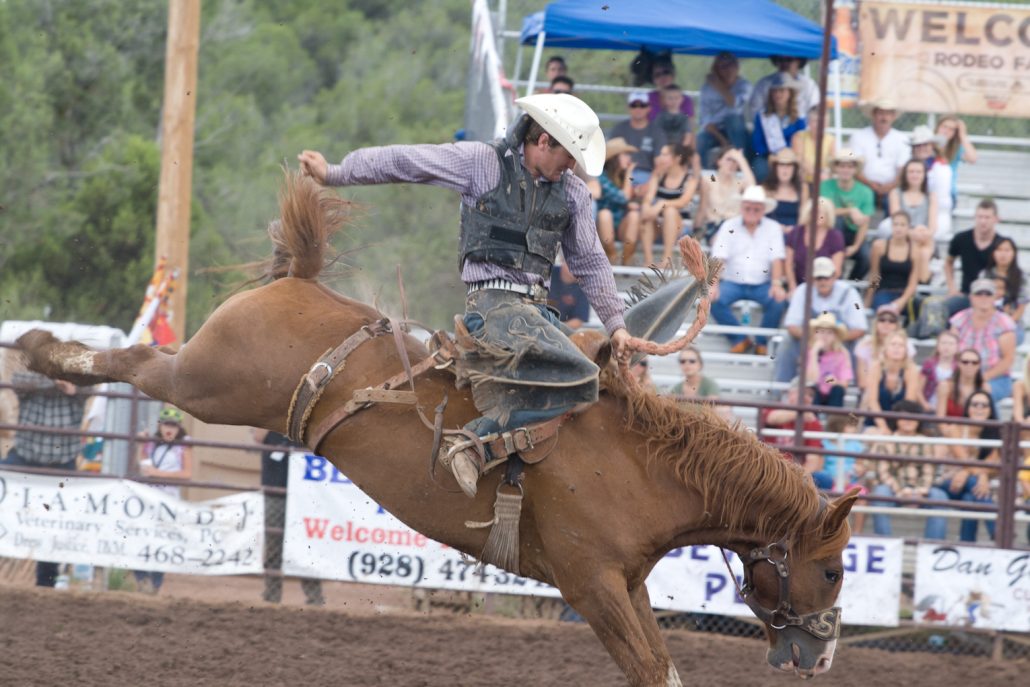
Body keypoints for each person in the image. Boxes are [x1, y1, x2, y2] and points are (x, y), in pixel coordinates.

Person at [298, 93, 632, 498]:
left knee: (590, 388)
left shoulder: (574, 194)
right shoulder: (481, 163)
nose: (572, 167)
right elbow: (406, 161)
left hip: (536, 314)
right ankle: (474, 443)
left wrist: (616, 325)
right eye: (569, 156)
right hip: (493, 307)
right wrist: (335, 173)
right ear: (543, 141)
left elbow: (592, 263)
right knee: (583, 378)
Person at [2, 371, 88, 587]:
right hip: (25, 456)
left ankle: (45, 585)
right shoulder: (34, 370)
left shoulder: (78, 376)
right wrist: (52, 381)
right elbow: (18, 381)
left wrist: (74, 387)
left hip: (61, 462)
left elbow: (91, 388)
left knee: (55, 524)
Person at [709, 185, 786, 355]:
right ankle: (740, 339)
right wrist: (713, 285)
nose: (752, 211)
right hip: (732, 282)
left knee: (778, 301)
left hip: (762, 283)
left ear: (763, 209)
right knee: (711, 299)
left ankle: (761, 343)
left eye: (756, 208)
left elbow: (777, 259)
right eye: (748, 207)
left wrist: (776, 283)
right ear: (742, 207)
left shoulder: (772, 228)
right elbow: (718, 258)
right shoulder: (729, 225)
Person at [257, 429, 325, 606]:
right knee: (274, 544)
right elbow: (257, 435)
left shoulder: (304, 434)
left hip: (302, 497)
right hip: (275, 494)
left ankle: (314, 596)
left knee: (305, 546)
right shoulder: (269, 431)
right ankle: (272, 594)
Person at [774, 256, 866, 384]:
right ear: (812, 278)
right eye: (819, 278)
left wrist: (834, 339)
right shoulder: (802, 291)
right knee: (787, 343)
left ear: (834, 276)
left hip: (840, 343)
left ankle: (855, 386)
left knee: (859, 346)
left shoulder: (849, 293)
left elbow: (860, 328)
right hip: (808, 342)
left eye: (826, 277)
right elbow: (792, 325)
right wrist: (815, 340)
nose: (823, 282)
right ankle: (781, 388)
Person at [864, 399, 947, 537]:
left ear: (918, 420)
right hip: (894, 489)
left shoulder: (926, 442)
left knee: (939, 496)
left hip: (920, 490)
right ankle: (885, 543)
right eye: (903, 415)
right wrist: (902, 491)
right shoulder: (886, 442)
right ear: (896, 419)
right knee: (880, 492)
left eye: (912, 415)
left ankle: (932, 547)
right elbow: (883, 474)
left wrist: (920, 491)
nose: (908, 420)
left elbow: (928, 471)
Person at [133, 406, 193, 594]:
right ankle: (141, 579)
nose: (170, 429)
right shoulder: (152, 444)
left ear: (179, 428)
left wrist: (157, 473)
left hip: (168, 499)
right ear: (160, 426)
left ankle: (156, 584)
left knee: (163, 541)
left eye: (174, 426)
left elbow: (187, 473)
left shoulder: (183, 446)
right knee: (142, 537)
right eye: (167, 425)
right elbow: (142, 464)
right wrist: (140, 445)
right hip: (149, 497)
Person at [938, 390, 999, 542]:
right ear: (968, 408)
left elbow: (992, 466)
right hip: (948, 482)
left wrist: (976, 473)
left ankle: (967, 544)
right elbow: (964, 460)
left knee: (970, 498)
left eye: (984, 405)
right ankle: (997, 530)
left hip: (972, 486)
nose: (979, 408)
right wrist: (980, 474)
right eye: (975, 404)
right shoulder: (955, 429)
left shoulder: (996, 434)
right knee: (974, 484)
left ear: (990, 410)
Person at [949, 277, 1017, 400]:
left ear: (995, 297)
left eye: (988, 294)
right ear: (971, 297)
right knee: (945, 387)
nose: (983, 297)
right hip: (963, 375)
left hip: (996, 378)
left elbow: (1008, 360)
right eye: (979, 293)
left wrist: (982, 378)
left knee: (981, 394)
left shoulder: (1004, 323)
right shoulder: (960, 319)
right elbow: (951, 351)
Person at [944, 198, 1007, 315]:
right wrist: (952, 288)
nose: (983, 221)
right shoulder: (961, 239)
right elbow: (948, 262)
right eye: (980, 217)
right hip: (966, 295)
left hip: (992, 298)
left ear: (996, 219)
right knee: (941, 308)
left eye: (987, 217)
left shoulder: (1001, 244)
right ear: (974, 217)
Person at [640, 142, 698, 267]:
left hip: (681, 226)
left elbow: (683, 202)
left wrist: (662, 203)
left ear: (677, 158)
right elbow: (648, 197)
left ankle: (667, 258)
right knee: (648, 216)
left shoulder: (690, 179)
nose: (660, 157)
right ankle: (648, 259)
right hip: (660, 223)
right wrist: (646, 206)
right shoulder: (658, 175)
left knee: (670, 211)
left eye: (665, 154)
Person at [820, 149, 875, 279]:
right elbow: (824, 213)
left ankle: (852, 285)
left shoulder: (866, 191)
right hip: (830, 234)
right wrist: (849, 211)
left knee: (867, 257)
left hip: (854, 234)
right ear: (836, 168)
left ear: (855, 170)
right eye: (842, 166)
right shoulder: (824, 186)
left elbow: (864, 222)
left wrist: (855, 247)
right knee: (837, 221)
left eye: (850, 166)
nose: (846, 170)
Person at [848, 97, 909, 209]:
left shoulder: (902, 139)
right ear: (873, 115)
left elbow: (902, 169)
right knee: (859, 198)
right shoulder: (858, 136)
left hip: (892, 187)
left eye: (888, 114)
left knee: (894, 200)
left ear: (893, 116)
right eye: (880, 113)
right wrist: (870, 184)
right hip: (863, 185)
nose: (884, 117)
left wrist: (890, 186)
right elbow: (854, 166)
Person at [761, 383, 827, 487]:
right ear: (790, 394)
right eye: (803, 392)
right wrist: (800, 413)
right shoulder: (774, 407)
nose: (806, 397)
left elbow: (812, 461)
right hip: (769, 467)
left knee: (823, 480)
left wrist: (794, 481)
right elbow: (772, 418)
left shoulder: (814, 423)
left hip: (796, 474)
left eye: (810, 395)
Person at [696, 52, 751, 168]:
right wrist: (723, 141)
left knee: (733, 120)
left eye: (731, 65)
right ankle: (705, 176)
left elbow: (734, 104)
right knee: (700, 140)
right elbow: (705, 121)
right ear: (716, 70)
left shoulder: (744, 85)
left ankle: (742, 168)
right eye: (723, 67)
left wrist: (719, 86)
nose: (728, 70)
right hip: (715, 131)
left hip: (737, 130)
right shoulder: (707, 88)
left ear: (737, 67)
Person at [750, 73, 807, 182]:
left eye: (782, 91)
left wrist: (787, 153)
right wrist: (770, 155)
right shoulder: (762, 116)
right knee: (760, 169)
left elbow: (801, 139)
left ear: (790, 93)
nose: (778, 94)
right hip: (767, 156)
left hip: (792, 156)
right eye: (775, 91)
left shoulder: (799, 118)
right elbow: (757, 144)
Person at [862, 330, 922, 432]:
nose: (897, 348)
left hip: (902, 423)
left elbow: (908, 404)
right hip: (876, 421)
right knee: (876, 436)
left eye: (901, 345)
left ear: (905, 351)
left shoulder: (911, 370)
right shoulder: (876, 367)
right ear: (885, 349)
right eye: (893, 344)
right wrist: (883, 427)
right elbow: (872, 402)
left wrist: (897, 430)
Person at [864, 211, 923, 315]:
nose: (898, 228)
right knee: (885, 311)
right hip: (884, 292)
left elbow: (913, 283)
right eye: (895, 224)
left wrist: (902, 300)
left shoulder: (915, 251)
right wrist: (868, 300)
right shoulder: (879, 246)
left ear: (909, 227)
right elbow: (874, 276)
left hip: (905, 294)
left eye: (902, 225)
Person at [596, 137, 643, 265]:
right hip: (600, 228)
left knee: (634, 215)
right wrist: (629, 173)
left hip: (621, 226)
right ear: (615, 158)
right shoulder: (601, 176)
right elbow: (623, 197)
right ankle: (611, 257)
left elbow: (634, 200)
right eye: (625, 154)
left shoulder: (623, 177)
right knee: (604, 214)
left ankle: (627, 259)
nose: (629, 158)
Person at [607, 91, 667, 188]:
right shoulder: (619, 129)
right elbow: (611, 158)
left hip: (647, 175)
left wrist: (650, 184)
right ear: (628, 108)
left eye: (642, 105)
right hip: (621, 175)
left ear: (649, 108)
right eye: (634, 105)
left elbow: (660, 163)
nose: (638, 109)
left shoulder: (657, 132)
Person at [784, 196, 844, 292]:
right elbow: (788, 264)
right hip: (799, 286)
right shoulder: (796, 233)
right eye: (814, 212)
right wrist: (792, 286)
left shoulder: (835, 236)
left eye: (821, 212)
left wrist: (820, 290)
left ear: (828, 215)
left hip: (826, 287)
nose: (817, 215)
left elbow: (836, 270)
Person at [695, 147, 754, 242]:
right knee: (722, 241)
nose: (731, 164)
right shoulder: (707, 180)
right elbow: (702, 207)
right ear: (719, 161)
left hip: (736, 227)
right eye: (728, 159)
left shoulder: (740, 183)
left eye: (734, 161)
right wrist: (696, 229)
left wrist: (741, 159)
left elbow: (752, 190)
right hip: (715, 226)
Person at [854, 304, 917, 390]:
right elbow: (862, 382)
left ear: (897, 325)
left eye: (892, 320)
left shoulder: (907, 345)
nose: (886, 323)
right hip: (869, 392)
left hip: (898, 392)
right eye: (882, 319)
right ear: (876, 322)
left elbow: (909, 377)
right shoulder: (864, 345)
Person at [908, 125, 954, 239]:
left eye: (925, 144)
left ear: (932, 146)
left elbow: (941, 199)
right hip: (911, 211)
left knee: (925, 235)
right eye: (918, 145)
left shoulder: (941, 167)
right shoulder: (908, 165)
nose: (921, 148)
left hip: (938, 213)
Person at [979, 236, 1027, 343]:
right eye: (999, 250)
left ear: (1014, 253)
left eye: (1007, 250)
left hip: (1013, 323)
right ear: (993, 253)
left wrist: (1006, 322)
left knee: (1005, 339)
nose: (1003, 254)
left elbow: (1021, 307)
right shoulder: (985, 274)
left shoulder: (1022, 276)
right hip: (986, 320)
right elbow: (979, 302)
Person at [749, 55, 820, 124]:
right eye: (780, 60)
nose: (784, 63)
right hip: (770, 132)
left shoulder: (809, 85)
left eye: (789, 59)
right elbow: (755, 111)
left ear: (799, 61)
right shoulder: (764, 83)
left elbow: (815, 111)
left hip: (802, 133)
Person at [805, 313, 853, 407]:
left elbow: (844, 384)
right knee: (812, 389)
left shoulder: (842, 354)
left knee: (838, 390)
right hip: (815, 395)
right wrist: (814, 353)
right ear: (815, 334)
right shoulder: (809, 352)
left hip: (833, 395)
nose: (825, 336)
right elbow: (810, 380)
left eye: (829, 332)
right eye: (821, 331)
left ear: (835, 336)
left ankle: (833, 420)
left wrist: (835, 382)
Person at [936, 114, 978, 208]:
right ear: (938, 127)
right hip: (930, 191)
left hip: (948, 193)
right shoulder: (930, 144)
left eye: (951, 129)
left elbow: (973, 158)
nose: (946, 131)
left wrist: (962, 135)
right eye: (944, 127)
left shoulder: (956, 148)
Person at [935, 348, 990, 420]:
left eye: (974, 362)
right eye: (965, 362)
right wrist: (950, 431)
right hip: (950, 428)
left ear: (979, 365)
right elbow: (940, 418)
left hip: (974, 429)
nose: (969, 365)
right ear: (958, 363)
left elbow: (986, 418)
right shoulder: (945, 386)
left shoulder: (984, 387)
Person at [762, 148, 808, 230]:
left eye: (789, 165)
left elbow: (804, 217)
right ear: (775, 168)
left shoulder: (803, 188)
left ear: (795, 169)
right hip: (771, 232)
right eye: (781, 165)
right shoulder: (766, 188)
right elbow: (762, 216)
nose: (785, 169)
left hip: (795, 234)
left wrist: (794, 230)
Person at [792, 103, 835, 186]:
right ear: (808, 122)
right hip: (804, 181)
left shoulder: (831, 140)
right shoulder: (799, 136)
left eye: (822, 121)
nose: (819, 125)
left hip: (823, 181)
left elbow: (832, 163)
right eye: (815, 121)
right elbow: (800, 160)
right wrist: (818, 175)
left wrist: (825, 174)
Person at [919, 330, 959, 410]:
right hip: (929, 407)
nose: (946, 347)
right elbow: (919, 389)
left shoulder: (959, 368)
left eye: (951, 344)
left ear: (957, 347)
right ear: (937, 346)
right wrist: (925, 404)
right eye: (943, 343)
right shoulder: (929, 364)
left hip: (949, 409)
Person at [549, 261, 590, 329]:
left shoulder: (583, 287)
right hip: (537, 320)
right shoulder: (548, 272)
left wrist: (556, 328)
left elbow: (578, 321)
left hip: (561, 329)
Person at [654, 84, 693, 148]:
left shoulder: (684, 118)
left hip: (679, 149)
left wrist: (682, 149)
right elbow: (656, 134)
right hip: (663, 149)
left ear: (681, 99)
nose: (673, 101)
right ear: (664, 100)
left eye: (676, 98)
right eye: (670, 98)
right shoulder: (660, 117)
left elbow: (687, 136)